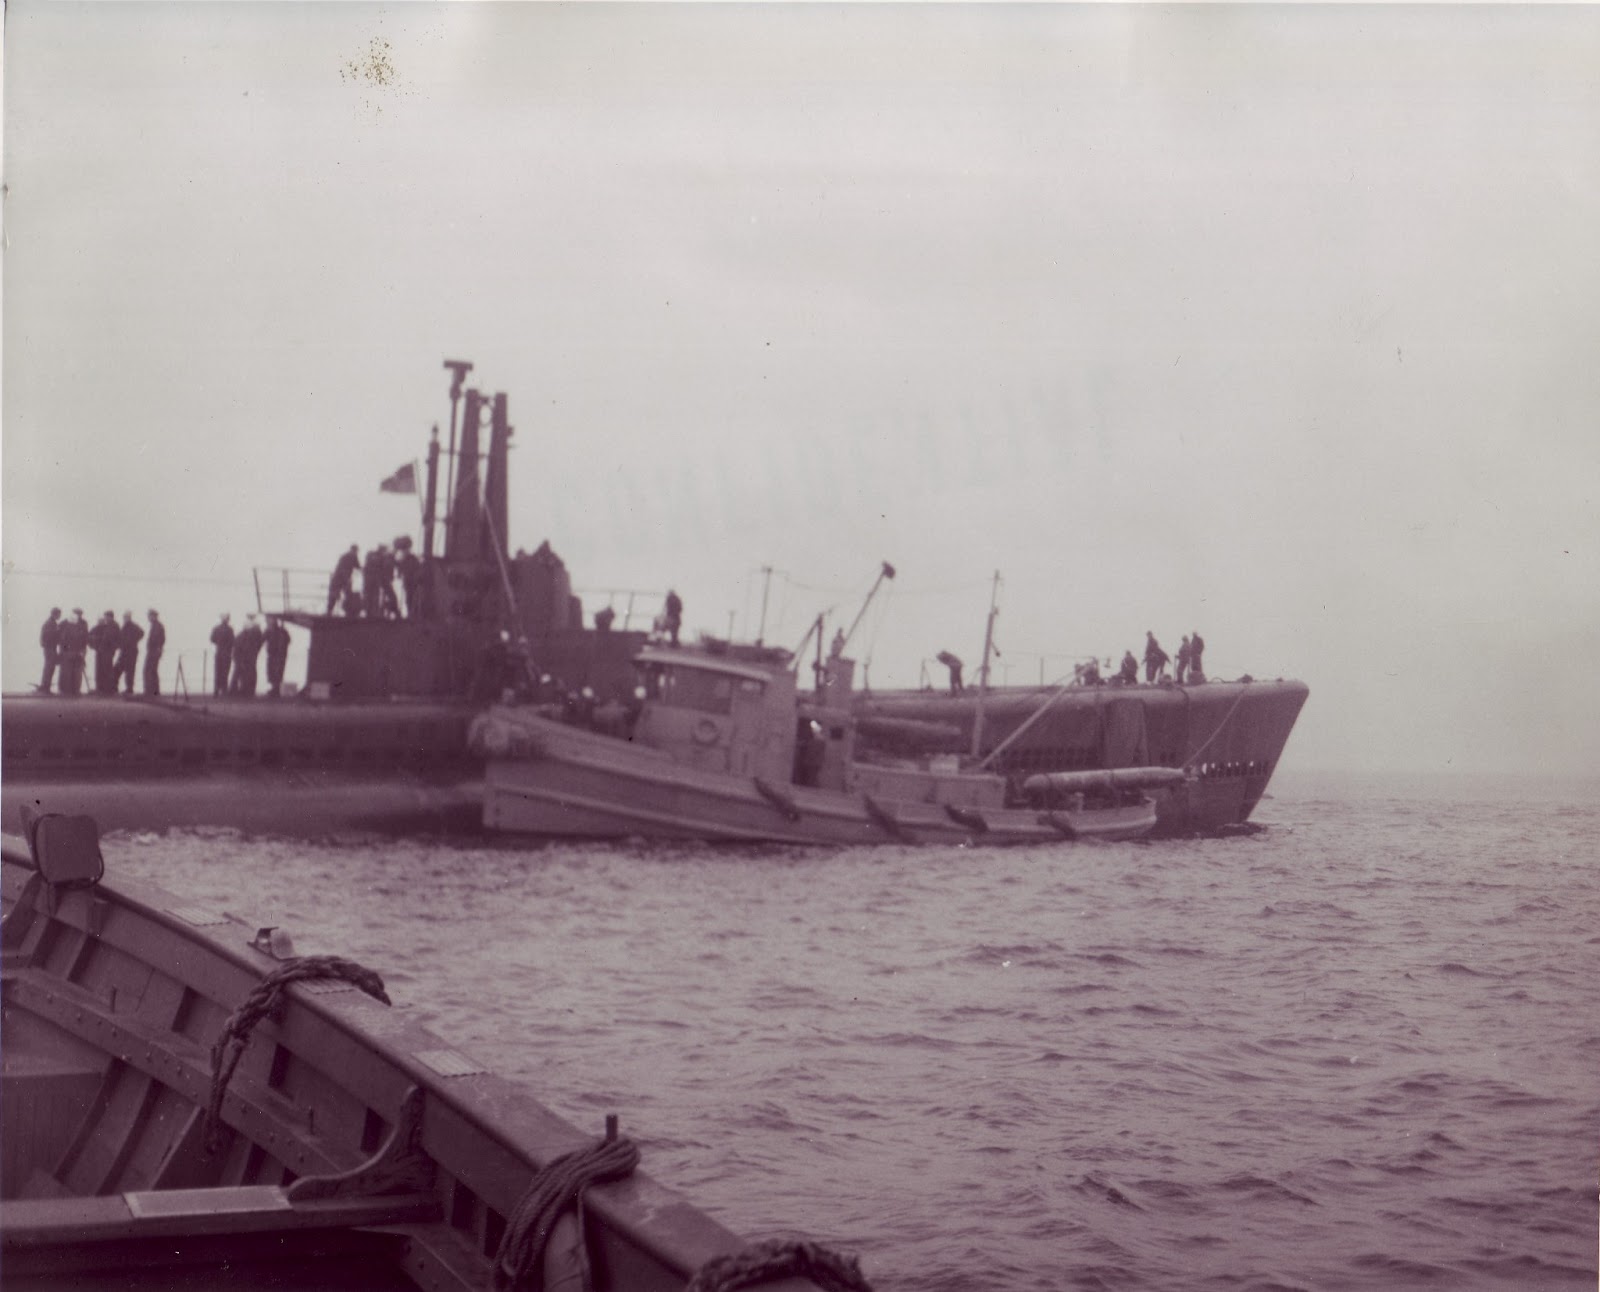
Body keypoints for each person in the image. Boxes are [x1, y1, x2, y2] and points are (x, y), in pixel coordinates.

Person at [232, 614, 265, 697]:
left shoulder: (243, 635)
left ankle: (240, 690)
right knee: (249, 672)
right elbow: (259, 644)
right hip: (249, 655)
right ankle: (247, 690)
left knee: (242, 672)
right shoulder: (256, 632)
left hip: (244, 655)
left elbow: (238, 645)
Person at [59, 610, 89, 696]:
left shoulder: (67, 628)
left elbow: (63, 641)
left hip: (70, 653)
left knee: (68, 671)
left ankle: (67, 690)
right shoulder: (80, 628)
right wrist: (81, 651)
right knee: (77, 672)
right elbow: (84, 640)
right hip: (77, 653)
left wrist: (64, 651)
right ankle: (75, 690)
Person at [89, 611, 119, 695]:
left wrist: (113, 648)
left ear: (110, 617)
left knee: (106, 670)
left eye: (106, 617)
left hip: (107, 651)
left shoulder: (113, 626)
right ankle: (101, 688)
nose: (105, 619)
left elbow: (111, 639)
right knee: (101, 669)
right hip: (101, 651)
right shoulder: (106, 626)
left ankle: (107, 689)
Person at [115, 611, 144, 695]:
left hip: (131, 651)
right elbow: (121, 638)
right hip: (125, 651)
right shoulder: (125, 626)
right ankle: (119, 687)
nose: (125, 618)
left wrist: (132, 641)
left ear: (129, 617)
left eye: (126, 617)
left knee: (129, 670)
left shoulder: (133, 626)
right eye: (124, 617)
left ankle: (129, 689)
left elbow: (141, 633)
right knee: (119, 669)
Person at [328, 544, 361, 615]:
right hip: (342, 578)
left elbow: (357, 566)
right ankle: (348, 611)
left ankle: (330, 611)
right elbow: (356, 567)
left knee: (336, 595)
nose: (356, 552)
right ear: (354, 550)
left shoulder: (345, 556)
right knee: (345, 594)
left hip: (338, 577)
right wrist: (347, 579)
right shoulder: (352, 556)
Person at [263, 616, 291, 697]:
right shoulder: (282, 631)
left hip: (275, 654)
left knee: (274, 671)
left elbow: (262, 639)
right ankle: (275, 688)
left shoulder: (270, 630)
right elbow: (288, 640)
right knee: (276, 672)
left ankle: (275, 689)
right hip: (278, 655)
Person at [393, 536, 421, 619]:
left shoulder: (411, 559)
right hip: (409, 580)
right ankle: (411, 614)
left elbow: (401, 567)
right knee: (410, 597)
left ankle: (412, 614)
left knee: (411, 597)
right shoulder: (411, 559)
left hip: (411, 580)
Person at [38, 608, 62, 693]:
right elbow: (48, 636)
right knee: (49, 667)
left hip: (50, 648)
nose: (60, 616)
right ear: (55, 614)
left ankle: (45, 686)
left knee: (49, 667)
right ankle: (45, 686)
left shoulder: (51, 623)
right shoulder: (50, 624)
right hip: (50, 648)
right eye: (59, 614)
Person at [211, 614, 235, 696]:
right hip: (227, 653)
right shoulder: (230, 629)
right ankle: (224, 689)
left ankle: (216, 689)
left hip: (218, 652)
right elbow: (232, 641)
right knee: (225, 672)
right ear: (227, 620)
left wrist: (219, 643)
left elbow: (212, 639)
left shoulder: (216, 628)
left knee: (217, 671)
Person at [143, 610, 166, 696]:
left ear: (154, 616)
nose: (148, 618)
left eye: (149, 616)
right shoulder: (156, 626)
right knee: (152, 671)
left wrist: (157, 648)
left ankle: (150, 691)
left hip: (154, 651)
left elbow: (158, 639)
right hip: (154, 650)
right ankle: (154, 690)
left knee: (148, 670)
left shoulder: (157, 626)